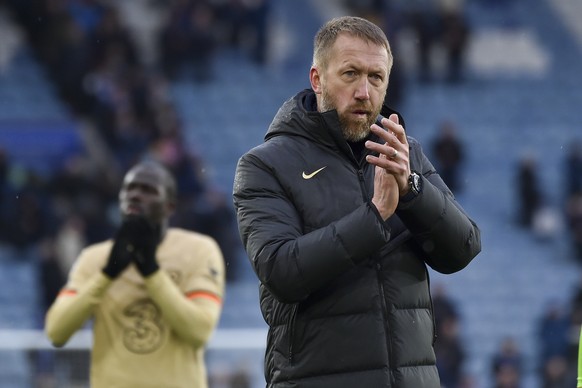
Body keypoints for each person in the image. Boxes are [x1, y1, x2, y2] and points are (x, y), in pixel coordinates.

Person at [233, 15, 481, 387]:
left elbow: (464, 248)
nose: (364, 91)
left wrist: (412, 190)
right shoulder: (265, 165)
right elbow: (280, 271)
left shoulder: (404, 153)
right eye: (350, 74)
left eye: (376, 77)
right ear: (317, 79)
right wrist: (375, 216)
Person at [45, 160, 226, 388]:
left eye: (148, 190)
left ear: (169, 206)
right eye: (129, 188)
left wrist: (151, 272)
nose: (135, 195)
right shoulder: (94, 258)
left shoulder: (198, 250)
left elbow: (199, 332)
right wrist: (107, 275)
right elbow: (56, 331)